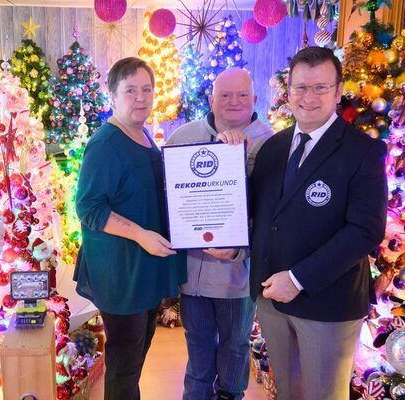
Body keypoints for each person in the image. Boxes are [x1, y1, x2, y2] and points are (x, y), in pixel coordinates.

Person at [247, 47, 388, 400]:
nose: (308, 98)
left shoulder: (362, 151)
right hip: (271, 297)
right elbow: (260, 214)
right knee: (289, 392)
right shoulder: (273, 147)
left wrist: (297, 279)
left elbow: (365, 230)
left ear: (338, 91)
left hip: (327, 303)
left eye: (320, 88)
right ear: (288, 91)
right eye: (300, 88)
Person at [74, 57, 187, 400]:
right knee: (124, 365)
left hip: (144, 269)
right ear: (112, 96)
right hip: (121, 273)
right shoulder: (106, 144)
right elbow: (89, 207)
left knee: (135, 359)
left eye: (147, 89)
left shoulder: (143, 135)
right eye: (130, 91)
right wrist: (140, 235)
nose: (141, 98)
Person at [163, 68, 272, 400]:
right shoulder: (183, 136)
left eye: (242, 95)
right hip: (192, 276)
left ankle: (229, 395)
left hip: (237, 277)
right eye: (225, 95)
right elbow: (167, 197)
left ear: (255, 99)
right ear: (211, 98)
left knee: (235, 347)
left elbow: (272, 216)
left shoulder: (270, 145)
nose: (233, 102)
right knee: (197, 349)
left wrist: (239, 250)